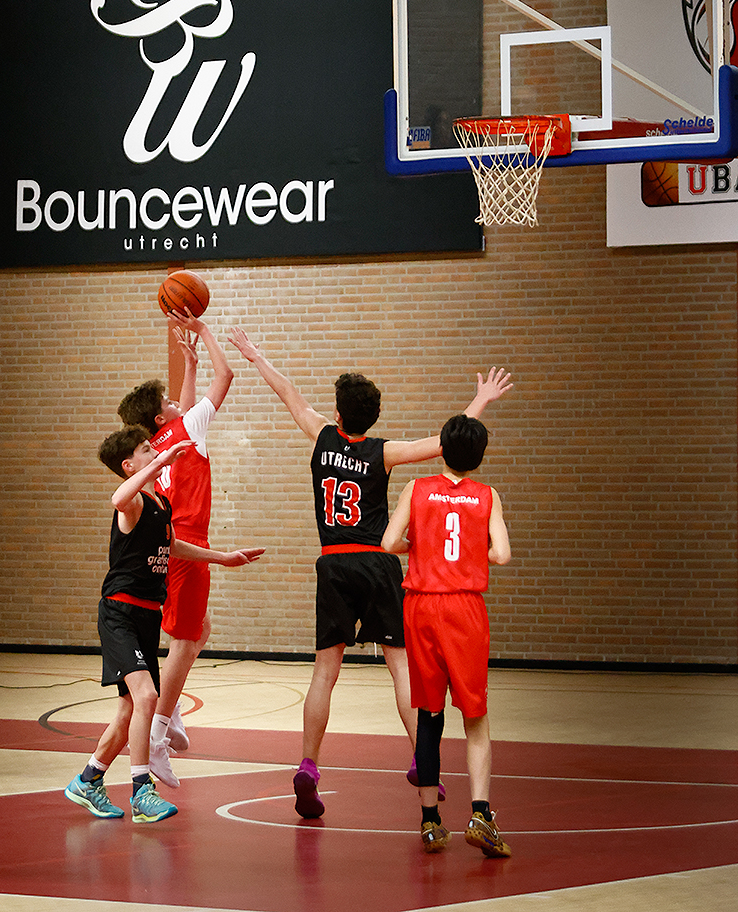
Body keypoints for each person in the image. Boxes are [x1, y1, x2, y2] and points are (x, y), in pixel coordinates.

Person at [226, 326, 511, 819]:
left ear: (337, 414)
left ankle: (309, 764)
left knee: (324, 672)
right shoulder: (383, 451)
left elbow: (288, 392)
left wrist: (255, 356)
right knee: (400, 666)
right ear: (374, 417)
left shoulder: (320, 435)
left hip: (333, 562)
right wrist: (480, 400)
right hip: (378, 562)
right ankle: (421, 761)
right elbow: (444, 444)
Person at [64, 427, 264, 823]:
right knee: (147, 697)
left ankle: (88, 780)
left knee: (129, 710)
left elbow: (170, 546)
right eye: (146, 450)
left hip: (146, 615)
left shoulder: (160, 503)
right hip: (120, 613)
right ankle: (142, 790)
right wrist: (163, 460)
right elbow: (117, 498)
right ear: (129, 465)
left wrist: (222, 557)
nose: (155, 452)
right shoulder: (133, 502)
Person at [382, 414, 513, 857]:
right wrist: (471, 552)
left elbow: (389, 543)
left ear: (442, 449)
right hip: (464, 609)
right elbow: (502, 554)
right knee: (475, 716)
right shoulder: (487, 495)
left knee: (429, 714)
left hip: (420, 607)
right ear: (479, 456)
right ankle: (481, 815)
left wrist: (422, 547)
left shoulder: (416, 489)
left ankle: (430, 822)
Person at [116, 311, 233, 788]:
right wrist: (204, 332)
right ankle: (158, 734)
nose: (176, 402)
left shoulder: (160, 441)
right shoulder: (188, 430)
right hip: (188, 541)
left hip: (170, 542)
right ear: (161, 418)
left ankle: (171, 709)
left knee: (199, 628)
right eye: (168, 401)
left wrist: (189, 363)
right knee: (186, 638)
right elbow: (226, 377)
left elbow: (181, 408)